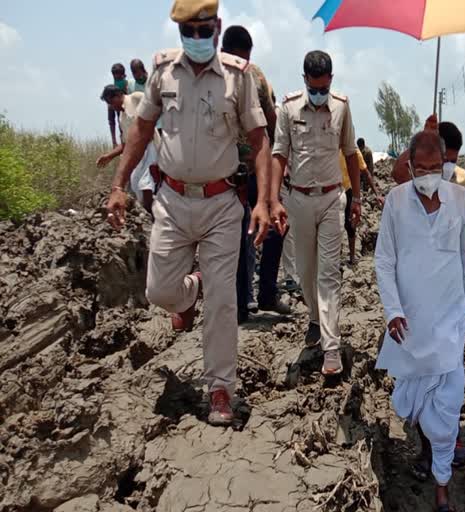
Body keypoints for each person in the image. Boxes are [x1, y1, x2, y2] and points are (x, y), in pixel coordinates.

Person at [105, 0, 272, 426]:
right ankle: (190, 288)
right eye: (188, 33)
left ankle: (220, 389)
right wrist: (120, 185)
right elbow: (140, 130)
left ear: (217, 27)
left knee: (223, 302)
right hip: (173, 201)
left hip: (220, 204)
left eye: (203, 32)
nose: (196, 40)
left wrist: (264, 202)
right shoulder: (164, 72)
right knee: (160, 292)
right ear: (180, 32)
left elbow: (260, 140)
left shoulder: (238, 77)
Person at [375, 130, 465, 512]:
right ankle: (427, 453)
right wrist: (393, 311)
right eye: (420, 168)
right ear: (409, 166)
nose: (428, 175)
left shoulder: (459, 198)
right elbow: (384, 261)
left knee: (450, 398)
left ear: (445, 165)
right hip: (411, 322)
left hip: (451, 318)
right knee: (418, 398)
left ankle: (442, 487)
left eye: (435, 168)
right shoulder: (396, 202)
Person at [270, 50, 361, 376]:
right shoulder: (289, 106)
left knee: (328, 275)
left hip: (331, 199)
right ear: (305, 80)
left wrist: (357, 199)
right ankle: (313, 318)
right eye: (315, 87)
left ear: (331, 81)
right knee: (305, 272)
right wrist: (273, 200)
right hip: (298, 200)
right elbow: (279, 154)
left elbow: (351, 153)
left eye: (324, 87)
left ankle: (331, 349)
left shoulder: (341, 106)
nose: (320, 94)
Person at [221, 25, 290, 322]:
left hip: (229, 174)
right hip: (245, 173)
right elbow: (272, 123)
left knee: (240, 237)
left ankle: (244, 302)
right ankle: (262, 294)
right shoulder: (255, 75)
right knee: (270, 228)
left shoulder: (212, 76)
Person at [391, 117, 465, 244]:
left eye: (453, 161)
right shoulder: (422, 178)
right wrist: (424, 138)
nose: (448, 166)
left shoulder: (463, 180)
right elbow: (397, 173)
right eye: (445, 160)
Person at [96, 85, 156, 213]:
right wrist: (109, 156)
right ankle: (149, 213)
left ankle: (152, 215)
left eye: (111, 102)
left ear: (118, 95)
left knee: (145, 183)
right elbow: (126, 143)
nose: (112, 106)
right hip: (138, 152)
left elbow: (156, 109)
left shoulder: (136, 98)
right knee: (135, 183)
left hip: (152, 145)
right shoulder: (121, 118)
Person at [338, 148, 383, 265]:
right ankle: (335, 256)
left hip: (348, 190)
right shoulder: (331, 146)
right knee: (334, 225)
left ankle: (352, 256)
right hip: (332, 190)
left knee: (350, 224)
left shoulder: (353, 151)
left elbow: (366, 172)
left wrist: (377, 193)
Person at [108, 63, 130, 147]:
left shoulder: (130, 87)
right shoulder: (110, 94)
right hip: (123, 133)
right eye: (115, 77)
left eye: (119, 77)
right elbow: (111, 120)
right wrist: (114, 141)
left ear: (123, 76)